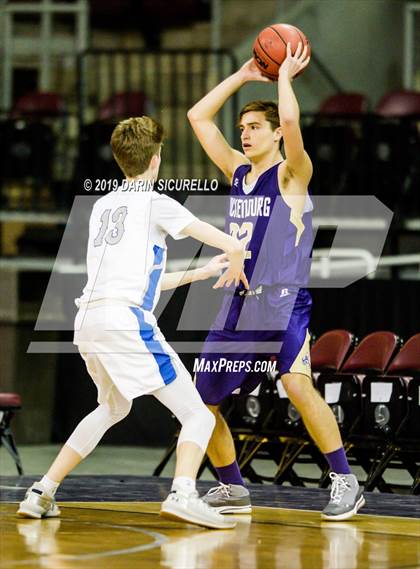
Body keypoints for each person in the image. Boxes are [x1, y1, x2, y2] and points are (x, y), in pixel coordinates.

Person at [17, 116, 249, 530]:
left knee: (112, 406)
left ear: (120, 159)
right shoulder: (156, 202)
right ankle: (183, 494)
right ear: (157, 159)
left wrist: (200, 273)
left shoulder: (103, 206)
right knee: (199, 415)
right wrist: (236, 251)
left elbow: (139, 280)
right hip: (125, 321)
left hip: (89, 319)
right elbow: (223, 238)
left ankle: (42, 490)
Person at [187, 43, 365, 521]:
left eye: (254, 128)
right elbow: (198, 117)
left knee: (298, 385)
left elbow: (291, 124)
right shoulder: (236, 172)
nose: (244, 135)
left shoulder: (291, 174)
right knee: (202, 402)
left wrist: (283, 76)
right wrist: (243, 76)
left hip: (283, 302)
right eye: (242, 128)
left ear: (275, 135)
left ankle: (346, 480)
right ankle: (232, 486)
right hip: (236, 302)